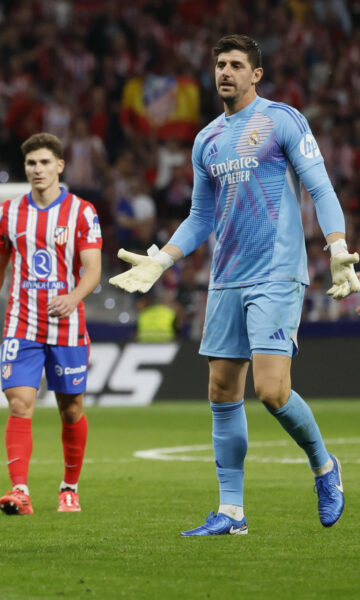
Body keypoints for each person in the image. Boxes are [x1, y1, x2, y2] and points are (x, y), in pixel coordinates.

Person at [109, 34, 359, 536]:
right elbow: (201, 215)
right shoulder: (206, 140)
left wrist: (336, 248)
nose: (225, 71)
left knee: (270, 391)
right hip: (226, 278)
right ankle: (232, 512)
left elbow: (319, 185)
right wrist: (162, 260)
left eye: (236, 64)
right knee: (222, 392)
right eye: (219, 63)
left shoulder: (281, 120)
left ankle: (324, 466)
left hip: (276, 270)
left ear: (256, 74)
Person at [0, 132, 102, 515]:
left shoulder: (82, 211)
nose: (37, 169)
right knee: (19, 403)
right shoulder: (9, 213)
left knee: (71, 410)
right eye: (31, 163)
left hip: (67, 327)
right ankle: (20, 490)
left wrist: (73, 297)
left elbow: (93, 269)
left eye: (45, 162)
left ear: (60, 165)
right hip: (21, 324)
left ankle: (69, 487)